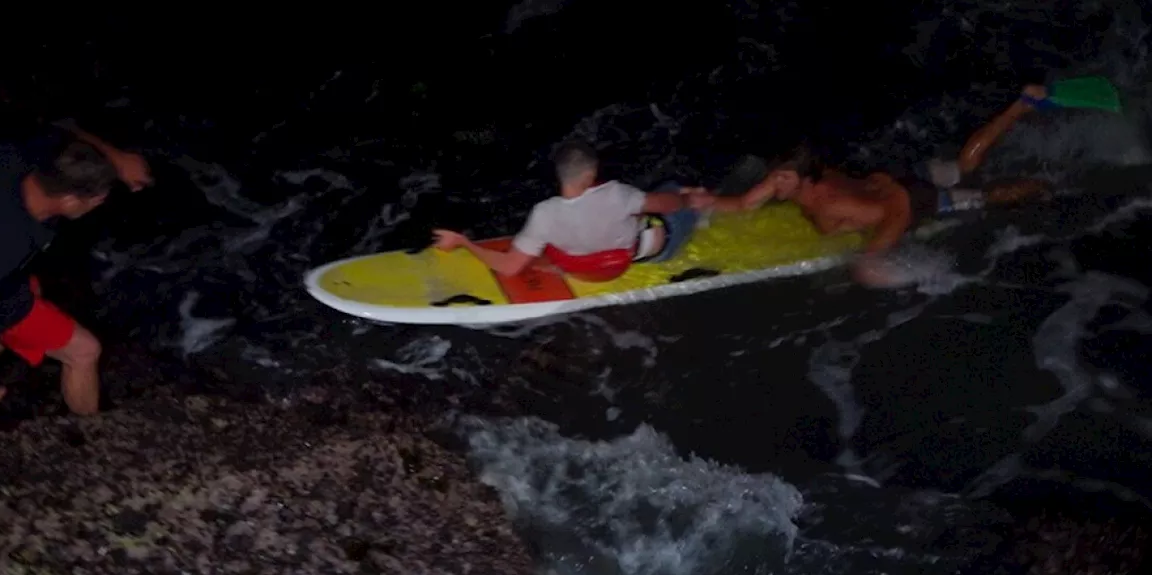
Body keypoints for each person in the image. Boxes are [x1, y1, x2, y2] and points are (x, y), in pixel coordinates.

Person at [0, 120, 152, 449]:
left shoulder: (16, 156)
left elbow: (63, 126)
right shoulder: (2, 241)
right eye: (96, 198)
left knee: (30, 290)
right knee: (83, 351)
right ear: (68, 201)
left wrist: (117, 158)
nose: (101, 202)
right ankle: (97, 442)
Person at [682, 144, 1050, 282]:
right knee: (960, 166)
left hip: (916, 199)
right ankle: (1018, 109)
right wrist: (705, 201)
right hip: (889, 182)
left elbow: (897, 212)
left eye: (782, 178)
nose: (774, 184)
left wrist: (871, 256)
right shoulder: (786, 181)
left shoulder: (829, 201)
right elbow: (745, 203)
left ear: (803, 179)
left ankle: (1051, 185)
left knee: (988, 197)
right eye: (775, 176)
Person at [431, 140, 693, 282]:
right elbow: (670, 204)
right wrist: (685, 199)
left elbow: (509, 268)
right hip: (644, 255)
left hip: (586, 273)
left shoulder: (544, 214)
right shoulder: (617, 193)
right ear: (591, 174)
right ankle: (706, 210)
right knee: (675, 190)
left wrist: (464, 242)